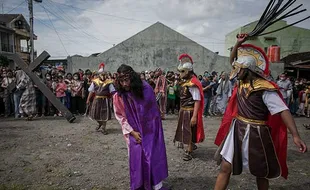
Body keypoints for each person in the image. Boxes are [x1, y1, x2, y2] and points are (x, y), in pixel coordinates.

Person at [214, 34, 307, 190]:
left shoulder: (265, 88)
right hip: (237, 129)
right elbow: (232, 62)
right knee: (225, 167)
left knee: (261, 173)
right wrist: (238, 43)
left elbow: (283, 110)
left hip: (257, 132)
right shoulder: (241, 81)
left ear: (247, 70)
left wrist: (296, 135)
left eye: (240, 69)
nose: (236, 70)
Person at [113, 64, 168, 190]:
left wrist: (150, 132)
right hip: (133, 132)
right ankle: (140, 185)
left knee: (152, 156)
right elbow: (120, 116)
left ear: (132, 78)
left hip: (150, 130)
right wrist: (133, 132)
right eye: (121, 81)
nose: (125, 84)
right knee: (137, 158)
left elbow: (152, 113)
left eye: (127, 80)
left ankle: (156, 185)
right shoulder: (119, 96)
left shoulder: (145, 89)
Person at [174, 54, 205, 161]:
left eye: (182, 71)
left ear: (188, 71)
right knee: (185, 129)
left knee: (189, 130)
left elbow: (197, 100)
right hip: (184, 110)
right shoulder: (184, 82)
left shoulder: (193, 84)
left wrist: (195, 116)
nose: (180, 73)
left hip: (190, 111)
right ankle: (191, 145)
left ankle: (189, 150)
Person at [87, 64, 115, 134]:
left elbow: (113, 92)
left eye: (104, 74)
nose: (103, 76)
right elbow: (91, 91)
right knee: (95, 114)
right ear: (99, 75)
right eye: (102, 74)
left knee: (104, 114)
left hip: (105, 100)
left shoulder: (109, 82)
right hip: (96, 100)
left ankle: (103, 128)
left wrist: (115, 100)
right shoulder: (94, 82)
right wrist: (88, 99)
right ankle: (100, 123)